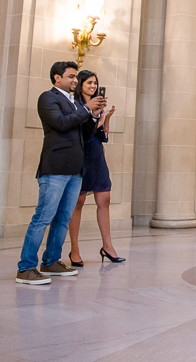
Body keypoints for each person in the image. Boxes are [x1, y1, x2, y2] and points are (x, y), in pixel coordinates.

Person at [16, 61, 106, 285]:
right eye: (71, 77)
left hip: (76, 169)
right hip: (55, 167)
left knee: (63, 218)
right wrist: (86, 109)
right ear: (57, 78)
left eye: (76, 77)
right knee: (43, 218)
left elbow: (83, 132)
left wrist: (94, 116)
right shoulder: (48, 98)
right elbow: (61, 123)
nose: (75, 81)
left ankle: (51, 261)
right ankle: (26, 267)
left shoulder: (74, 102)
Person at [67, 70, 124, 267]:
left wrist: (105, 119)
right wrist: (91, 114)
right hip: (80, 154)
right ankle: (74, 249)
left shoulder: (96, 106)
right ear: (81, 84)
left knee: (104, 198)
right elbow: (79, 132)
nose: (93, 86)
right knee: (78, 202)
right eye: (89, 83)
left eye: (95, 83)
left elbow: (102, 137)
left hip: (96, 153)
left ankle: (107, 246)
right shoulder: (76, 105)